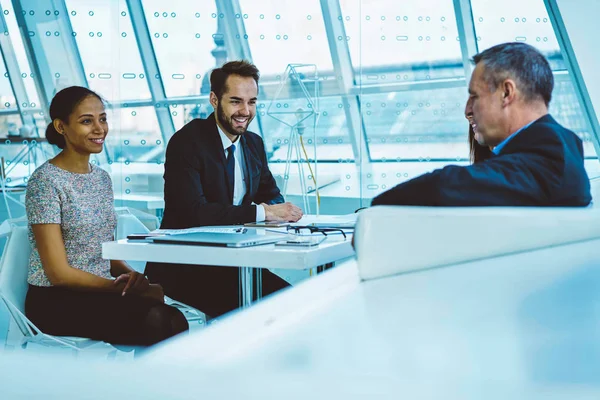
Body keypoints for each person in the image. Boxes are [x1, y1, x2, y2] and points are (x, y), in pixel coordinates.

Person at [25, 86, 188, 347]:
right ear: (61, 126)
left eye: (102, 119)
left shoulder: (101, 178)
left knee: (175, 318)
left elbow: (104, 253)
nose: (99, 128)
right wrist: (116, 287)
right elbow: (58, 273)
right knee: (156, 320)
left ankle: (149, 386)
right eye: (86, 121)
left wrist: (134, 279)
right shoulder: (45, 182)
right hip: (56, 300)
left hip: (101, 291)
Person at [145, 61, 303, 318]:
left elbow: (271, 195)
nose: (245, 111)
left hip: (235, 264)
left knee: (292, 305)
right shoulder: (187, 142)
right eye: (236, 101)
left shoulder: (253, 144)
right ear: (214, 100)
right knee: (257, 316)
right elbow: (194, 213)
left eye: (252, 102)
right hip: (187, 266)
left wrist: (273, 209)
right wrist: (262, 213)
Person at [372, 42, 591, 207]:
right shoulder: (562, 146)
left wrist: (375, 211)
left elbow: (445, 186)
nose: (467, 110)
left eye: (474, 97)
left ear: (506, 93)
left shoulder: (551, 153)